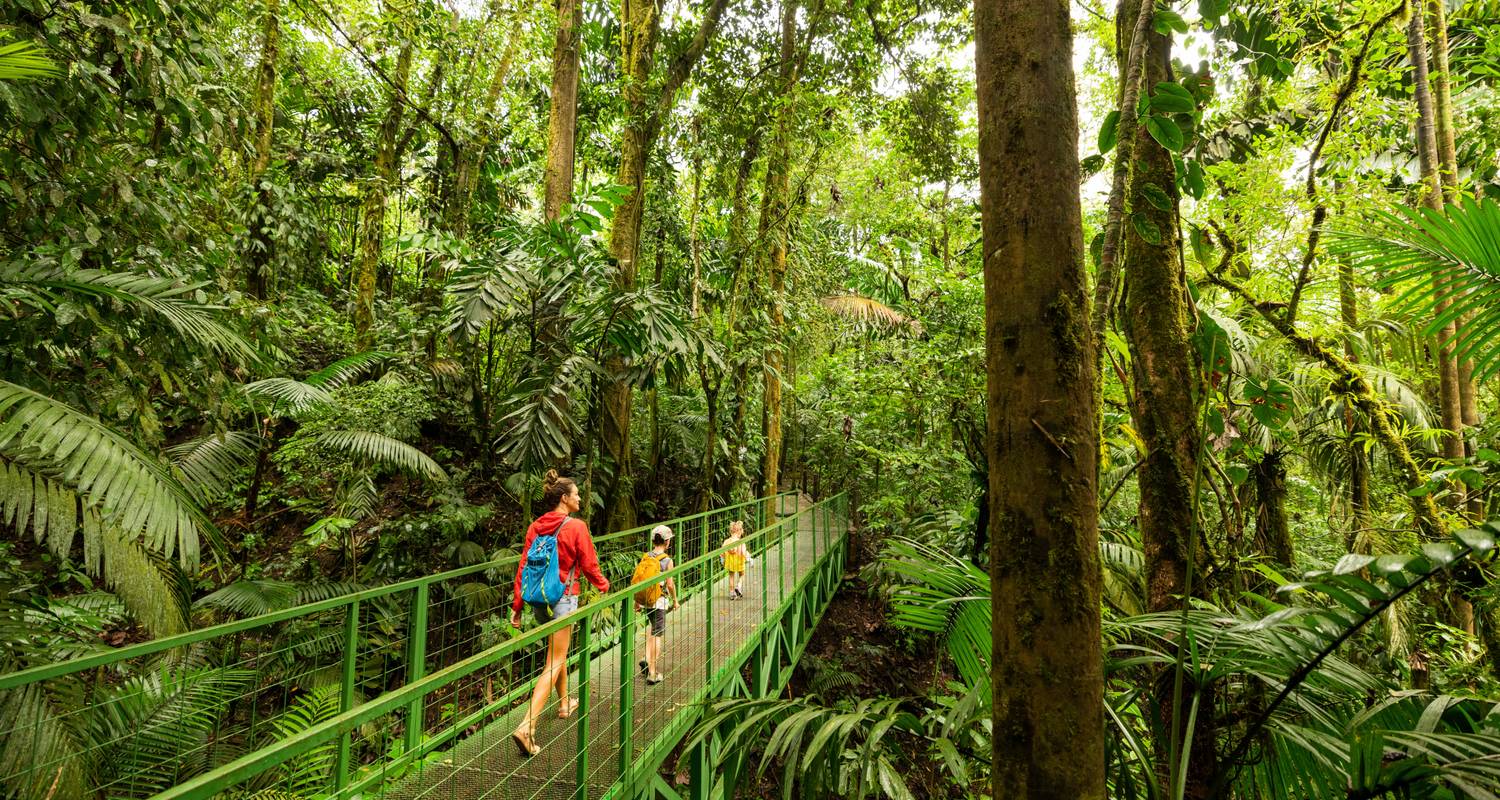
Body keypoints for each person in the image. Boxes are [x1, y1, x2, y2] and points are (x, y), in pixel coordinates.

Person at [508, 471, 608, 757]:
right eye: (576, 494)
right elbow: (589, 564)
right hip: (563, 597)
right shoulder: (575, 527)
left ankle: (564, 704)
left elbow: (523, 567)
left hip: (539, 600)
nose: (579, 498)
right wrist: (603, 585)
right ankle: (527, 727)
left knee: (556, 653)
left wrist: (517, 606)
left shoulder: (535, 526)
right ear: (564, 498)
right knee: (554, 660)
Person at [635, 525, 678, 685]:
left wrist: (637, 601)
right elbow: (670, 584)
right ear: (667, 542)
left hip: (646, 600)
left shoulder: (646, 556)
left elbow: (639, 579)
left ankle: (646, 657)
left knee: (652, 627)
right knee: (657, 634)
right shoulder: (667, 560)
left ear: (653, 540)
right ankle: (653, 673)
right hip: (659, 600)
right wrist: (675, 600)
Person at [722, 520, 748, 600]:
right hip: (739, 561)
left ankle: (732, 593)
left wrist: (722, 559)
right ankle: (738, 586)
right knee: (742, 574)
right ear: (739, 531)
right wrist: (748, 558)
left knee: (731, 576)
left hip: (730, 562)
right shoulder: (740, 542)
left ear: (731, 531)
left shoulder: (727, 541)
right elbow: (744, 552)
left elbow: (722, 551)